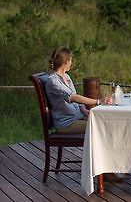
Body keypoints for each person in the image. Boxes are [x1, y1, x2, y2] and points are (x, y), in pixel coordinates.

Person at [45, 46, 120, 182]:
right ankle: (104, 171)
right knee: (99, 128)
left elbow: (76, 101)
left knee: (108, 124)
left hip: (76, 117)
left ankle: (110, 167)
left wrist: (84, 110)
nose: (71, 63)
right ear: (66, 62)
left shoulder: (66, 77)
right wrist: (98, 101)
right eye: (71, 60)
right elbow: (73, 97)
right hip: (66, 123)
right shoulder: (53, 81)